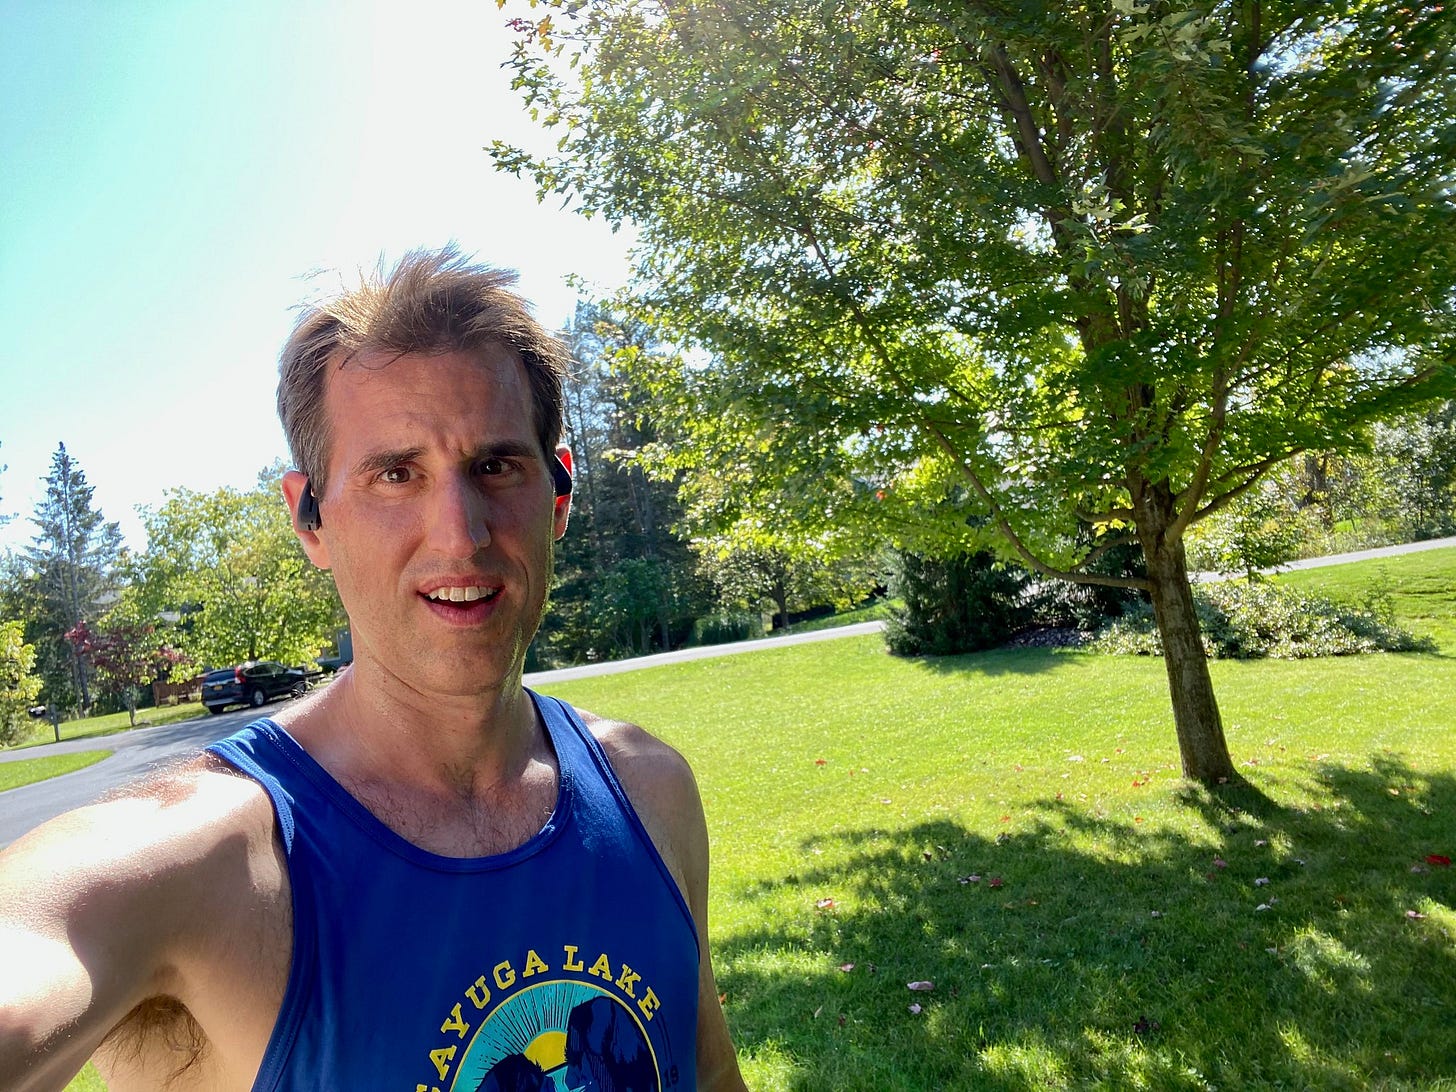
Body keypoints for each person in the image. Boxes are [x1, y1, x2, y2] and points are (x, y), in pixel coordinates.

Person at [0, 249, 748, 1092]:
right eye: (396, 474)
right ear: (309, 519)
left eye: (496, 466)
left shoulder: (651, 791)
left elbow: (711, 1073)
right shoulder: (194, 867)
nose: (461, 534)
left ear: (560, 495)